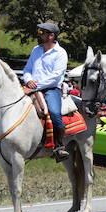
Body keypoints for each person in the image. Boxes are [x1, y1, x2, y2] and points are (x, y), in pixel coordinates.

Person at [22, 22, 69, 161]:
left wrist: (33, 87)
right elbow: (27, 69)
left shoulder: (61, 53)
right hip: (31, 86)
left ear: (51, 35)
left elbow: (55, 77)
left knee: (54, 113)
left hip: (51, 89)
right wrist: (28, 79)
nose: (39, 34)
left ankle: (59, 147)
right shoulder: (36, 50)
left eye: (42, 32)